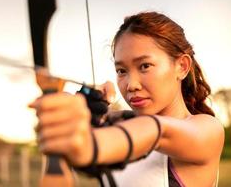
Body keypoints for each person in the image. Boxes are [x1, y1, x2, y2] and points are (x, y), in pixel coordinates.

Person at [29, 11, 224, 187]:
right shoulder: (117, 125)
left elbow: (158, 131)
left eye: (145, 66)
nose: (131, 85)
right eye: (121, 71)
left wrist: (91, 144)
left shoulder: (208, 130)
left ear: (181, 66)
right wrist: (67, 120)